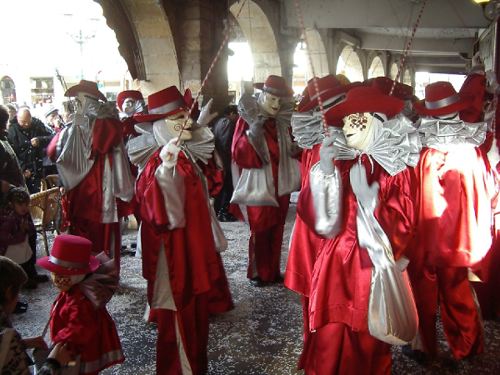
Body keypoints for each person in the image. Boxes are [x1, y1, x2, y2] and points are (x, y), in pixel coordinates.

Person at [302, 86, 419, 374]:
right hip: (334, 269)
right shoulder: (342, 162)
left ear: (375, 120)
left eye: (353, 117)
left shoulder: (396, 169)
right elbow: (314, 218)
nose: (344, 125)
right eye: (342, 119)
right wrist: (325, 170)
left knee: (368, 342)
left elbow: (405, 225)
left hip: (370, 272)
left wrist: (374, 210)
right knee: (329, 336)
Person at [129, 86, 232, 374]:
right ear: (162, 127)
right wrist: (166, 172)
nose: (186, 122)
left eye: (187, 116)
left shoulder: (185, 159)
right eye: (178, 119)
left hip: (194, 257)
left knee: (196, 328)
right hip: (177, 264)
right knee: (179, 329)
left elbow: (211, 187)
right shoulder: (157, 167)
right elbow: (161, 215)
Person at [404, 81, 498, 364]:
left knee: (423, 295)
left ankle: (425, 347)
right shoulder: (471, 150)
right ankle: (468, 345)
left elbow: (415, 198)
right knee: (457, 294)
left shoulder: (426, 154)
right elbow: (486, 193)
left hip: (427, 239)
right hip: (460, 240)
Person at [47, 80, 135, 273]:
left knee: (98, 231)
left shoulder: (104, 124)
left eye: (78, 100)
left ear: (87, 101)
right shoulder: (81, 124)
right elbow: (55, 151)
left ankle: (100, 273)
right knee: (84, 229)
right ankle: (86, 269)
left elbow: (99, 144)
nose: (76, 105)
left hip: (99, 189)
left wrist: (78, 127)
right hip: (83, 190)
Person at [232, 75, 301, 287]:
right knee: (260, 228)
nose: (276, 104)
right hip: (258, 183)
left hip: (280, 182)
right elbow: (237, 151)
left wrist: (295, 149)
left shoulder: (283, 122)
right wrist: (251, 136)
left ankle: (271, 271)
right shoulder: (247, 120)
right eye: (272, 99)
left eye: (280, 101)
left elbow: (290, 148)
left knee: (278, 226)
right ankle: (257, 272)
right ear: (261, 96)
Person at [36, 234, 125, 374]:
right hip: (69, 350)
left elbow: (79, 330)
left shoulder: (80, 302)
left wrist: (58, 342)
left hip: (75, 353)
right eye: (54, 273)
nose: (55, 280)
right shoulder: (72, 291)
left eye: (61, 275)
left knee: (73, 370)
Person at [0, 256, 73, 374]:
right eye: (18, 293)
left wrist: (20, 345)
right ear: (9, 293)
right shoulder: (6, 339)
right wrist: (54, 363)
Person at [7, 107, 54, 193]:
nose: (26, 124)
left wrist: (41, 140)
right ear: (18, 119)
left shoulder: (38, 125)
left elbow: (53, 137)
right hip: (23, 174)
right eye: (23, 122)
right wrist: (23, 168)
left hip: (38, 171)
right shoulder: (12, 131)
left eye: (28, 121)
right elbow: (12, 154)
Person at [212, 104, 238, 221]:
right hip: (225, 159)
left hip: (221, 158)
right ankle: (224, 212)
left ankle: (221, 211)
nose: (237, 118)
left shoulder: (218, 122)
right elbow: (227, 143)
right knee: (228, 187)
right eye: (236, 115)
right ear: (232, 113)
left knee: (223, 187)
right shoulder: (227, 123)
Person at [0, 105, 25, 188]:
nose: (9, 123)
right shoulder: (2, 143)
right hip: (9, 197)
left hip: (14, 194)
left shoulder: (4, 140)